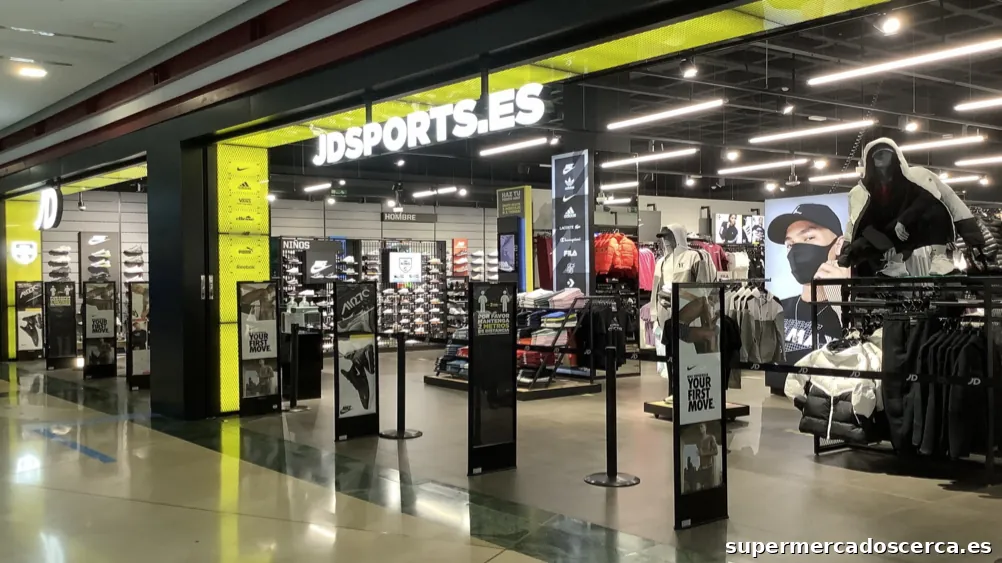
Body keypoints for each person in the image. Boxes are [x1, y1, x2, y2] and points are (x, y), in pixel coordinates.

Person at [767, 203, 850, 365]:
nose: (796, 250)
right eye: (790, 245)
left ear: (838, 245)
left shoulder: (854, 312)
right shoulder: (778, 310)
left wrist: (843, 303)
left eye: (809, 238)